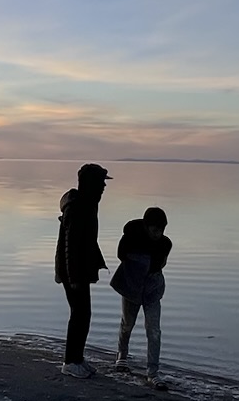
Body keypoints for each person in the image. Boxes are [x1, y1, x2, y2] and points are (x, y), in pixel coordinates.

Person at [52, 163, 109, 377]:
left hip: (79, 270)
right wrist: (74, 277)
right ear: (90, 184)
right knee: (79, 314)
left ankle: (77, 358)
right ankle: (70, 362)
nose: (104, 187)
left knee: (83, 314)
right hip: (73, 272)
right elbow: (70, 245)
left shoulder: (88, 204)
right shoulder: (77, 208)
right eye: (101, 183)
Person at [110, 206, 172, 388]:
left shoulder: (165, 244)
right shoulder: (130, 237)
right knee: (127, 323)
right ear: (146, 227)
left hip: (152, 289)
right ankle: (122, 355)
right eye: (155, 229)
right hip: (132, 285)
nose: (158, 233)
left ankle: (153, 372)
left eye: (161, 230)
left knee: (154, 331)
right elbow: (121, 255)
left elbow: (160, 265)